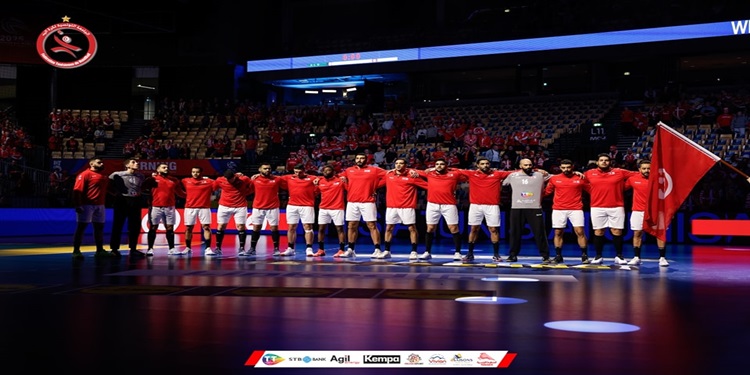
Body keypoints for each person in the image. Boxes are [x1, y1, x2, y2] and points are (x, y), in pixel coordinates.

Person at [583, 153, 639, 264]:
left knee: (617, 231)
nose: (604, 162)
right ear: (597, 162)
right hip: (597, 206)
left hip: (617, 206)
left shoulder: (619, 172)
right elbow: (580, 180)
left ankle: (619, 256)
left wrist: (623, 187)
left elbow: (637, 174)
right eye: (601, 160)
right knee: (599, 231)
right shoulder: (589, 173)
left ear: (610, 162)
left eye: (606, 160)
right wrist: (593, 191)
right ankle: (598, 256)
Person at [456, 157, 514, 262]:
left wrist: (537, 170)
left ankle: (496, 254)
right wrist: (431, 169)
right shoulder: (471, 173)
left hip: (492, 206)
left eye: (487, 163)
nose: (485, 165)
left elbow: (515, 172)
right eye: (482, 164)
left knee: (493, 229)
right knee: (474, 229)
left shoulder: (497, 174)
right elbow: (453, 170)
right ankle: (470, 254)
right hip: (475, 206)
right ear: (477, 165)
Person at [416, 158, 467, 260]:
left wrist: (452, 169)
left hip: (449, 205)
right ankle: (427, 252)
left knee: (453, 228)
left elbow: (466, 173)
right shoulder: (430, 174)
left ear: (446, 166)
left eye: (442, 164)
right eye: (437, 164)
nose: (439, 166)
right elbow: (413, 171)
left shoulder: (454, 174)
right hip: (432, 204)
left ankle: (457, 253)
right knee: (430, 228)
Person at [337, 153, 387, 258]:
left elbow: (388, 176)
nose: (359, 160)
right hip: (352, 201)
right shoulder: (349, 170)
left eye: (362, 158)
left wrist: (375, 187)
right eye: (357, 158)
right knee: (351, 225)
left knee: (372, 225)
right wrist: (346, 184)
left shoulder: (374, 170)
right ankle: (351, 249)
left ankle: (377, 249)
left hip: (367, 201)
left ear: (366, 160)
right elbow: (340, 177)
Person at [502, 158, 551, 263]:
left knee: (540, 233)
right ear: (520, 166)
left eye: (530, 165)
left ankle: (545, 256)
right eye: (526, 165)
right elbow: (503, 184)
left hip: (535, 208)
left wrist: (575, 172)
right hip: (517, 207)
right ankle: (513, 255)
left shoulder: (540, 175)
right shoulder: (512, 176)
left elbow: (560, 177)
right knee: (515, 233)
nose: (528, 167)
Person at [543, 159, 590, 264]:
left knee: (580, 232)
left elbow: (592, 190)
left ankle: (584, 255)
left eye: (568, 167)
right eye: (563, 167)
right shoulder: (554, 179)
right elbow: (546, 192)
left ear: (572, 167)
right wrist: (529, 194)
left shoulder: (580, 177)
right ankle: (558, 256)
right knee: (558, 232)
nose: (566, 169)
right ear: (560, 168)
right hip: (558, 209)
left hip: (576, 209)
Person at [380, 158, 428, 259]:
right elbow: (375, 179)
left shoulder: (412, 175)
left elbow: (428, 186)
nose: (398, 165)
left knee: (412, 228)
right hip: (392, 206)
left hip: (407, 206)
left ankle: (414, 251)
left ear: (405, 165)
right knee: (389, 228)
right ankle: (387, 251)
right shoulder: (389, 175)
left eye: (401, 163)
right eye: (396, 163)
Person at [624, 160, 669, 266]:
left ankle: (662, 258)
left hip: (656, 212)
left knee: (660, 234)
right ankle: (636, 257)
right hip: (638, 211)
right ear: (639, 169)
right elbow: (618, 188)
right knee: (637, 233)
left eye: (648, 168)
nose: (646, 170)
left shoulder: (660, 180)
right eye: (644, 168)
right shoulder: (632, 179)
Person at [141, 163, 186, 256]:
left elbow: (180, 193)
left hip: (170, 207)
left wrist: (192, 195)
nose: (166, 168)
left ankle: (172, 249)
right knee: (153, 228)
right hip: (155, 207)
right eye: (164, 167)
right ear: (158, 170)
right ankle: (150, 249)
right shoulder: (152, 179)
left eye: (167, 167)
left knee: (170, 228)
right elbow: (142, 189)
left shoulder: (174, 180)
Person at [72, 157, 111, 259]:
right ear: (91, 164)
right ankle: (76, 251)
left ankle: (99, 250)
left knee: (99, 228)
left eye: (102, 162)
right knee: (81, 227)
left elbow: (107, 189)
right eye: (99, 162)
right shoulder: (84, 174)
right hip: (86, 205)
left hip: (100, 205)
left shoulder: (103, 176)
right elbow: (77, 191)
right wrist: (78, 205)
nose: (102, 163)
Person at [108, 158, 146, 257]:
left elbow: (142, 187)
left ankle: (133, 249)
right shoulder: (117, 174)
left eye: (137, 162)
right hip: (122, 201)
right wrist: (115, 194)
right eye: (133, 162)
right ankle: (114, 249)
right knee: (118, 225)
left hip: (135, 201)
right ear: (127, 165)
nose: (137, 163)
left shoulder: (141, 176)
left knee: (135, 226)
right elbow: (107, 186)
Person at [277, 164, 317, 256]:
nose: (297, 174)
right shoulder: (289, 177)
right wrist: (258, 175)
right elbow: (274, 178)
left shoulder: (312, 178)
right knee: (291, 227)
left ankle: (309, 249)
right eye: (295, 172)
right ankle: (290, 248)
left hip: (307, 206)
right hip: (292, 205)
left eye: (299, 172)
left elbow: (322, 179)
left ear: (304, 170)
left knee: (308, 227)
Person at [211, 169, 253, 256]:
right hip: (224, 206)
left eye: (231, 178)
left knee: (241, 227)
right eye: (227, 179)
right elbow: (213, 187)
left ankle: (241, 248)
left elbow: (252, 187)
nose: (229, 180)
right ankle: (218, 248)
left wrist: (244, 193)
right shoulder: (220, 180)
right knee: (221, 226)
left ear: (234, 176)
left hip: (240, 206)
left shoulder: (244, 179)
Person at [313, 165, 347, 257]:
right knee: (321, 229)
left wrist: (342, 178)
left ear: (333, 172)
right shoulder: (320, 181)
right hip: (323, 208)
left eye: (328, 170)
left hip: (337, 208)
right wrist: (317, 180)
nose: (325, 172)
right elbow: (315, 192)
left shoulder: (340, 180)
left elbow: (348, 187)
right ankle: (321, 250)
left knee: (339, 229)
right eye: (324, 170)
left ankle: (342, 250)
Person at [181, 166, 216, 255]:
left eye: (197, 172)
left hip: (204, 208)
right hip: (190, 208)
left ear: (201, 173)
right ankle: (188, 248)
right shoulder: (185, 181)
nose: (195, 174)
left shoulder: (209, 182)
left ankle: (208, 248)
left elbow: (220, 182)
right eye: (193, 172)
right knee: (189, 228)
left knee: (206, 227)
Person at [249, 164, 282, 255]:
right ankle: (252, 248)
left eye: (269, 168)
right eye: (265, 168)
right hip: (258, 207)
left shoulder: (277, 179)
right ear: (260, 169)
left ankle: (276, 249)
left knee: (274, 228)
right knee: (256, 228)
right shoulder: (254, 179)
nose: (267, 170)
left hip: (273, 207)